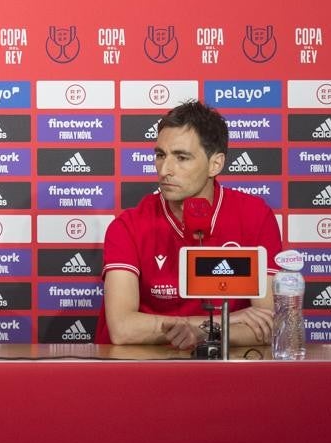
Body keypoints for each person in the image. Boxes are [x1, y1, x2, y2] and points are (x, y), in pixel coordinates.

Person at [97, 100, 282, 349]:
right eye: (160, 155)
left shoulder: (255, 216)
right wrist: (221, 323)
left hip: (225, 374)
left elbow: (268, 325)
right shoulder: (128, 225)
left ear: (215, 164)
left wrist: (203, 334)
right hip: (143, 373)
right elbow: (122, 329)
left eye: (182, 157)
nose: (165, 170)